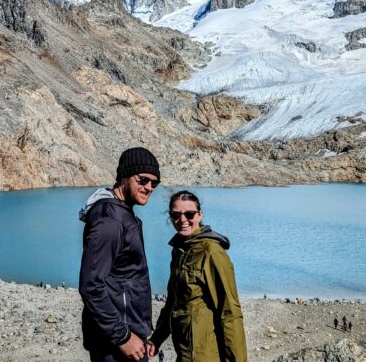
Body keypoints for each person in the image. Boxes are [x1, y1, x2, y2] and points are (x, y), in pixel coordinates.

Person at [79, 147, 161, 362]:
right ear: (123, 176)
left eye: (154, 183)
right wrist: (122, 336)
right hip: (116, 342)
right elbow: (91, 285)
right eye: (142, 180)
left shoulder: (122, 213)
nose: (149, 187)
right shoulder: (110, 220)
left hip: (125, 333)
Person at [147, 190, 247, 362]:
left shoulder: (212, 252)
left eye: (190, 214)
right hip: (185, 353)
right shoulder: (180, 250)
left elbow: (230, 311)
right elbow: (173, 302)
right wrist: (156, 339)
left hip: (206, 356)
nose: (183, 220)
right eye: (176, 215)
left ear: (200, 215)